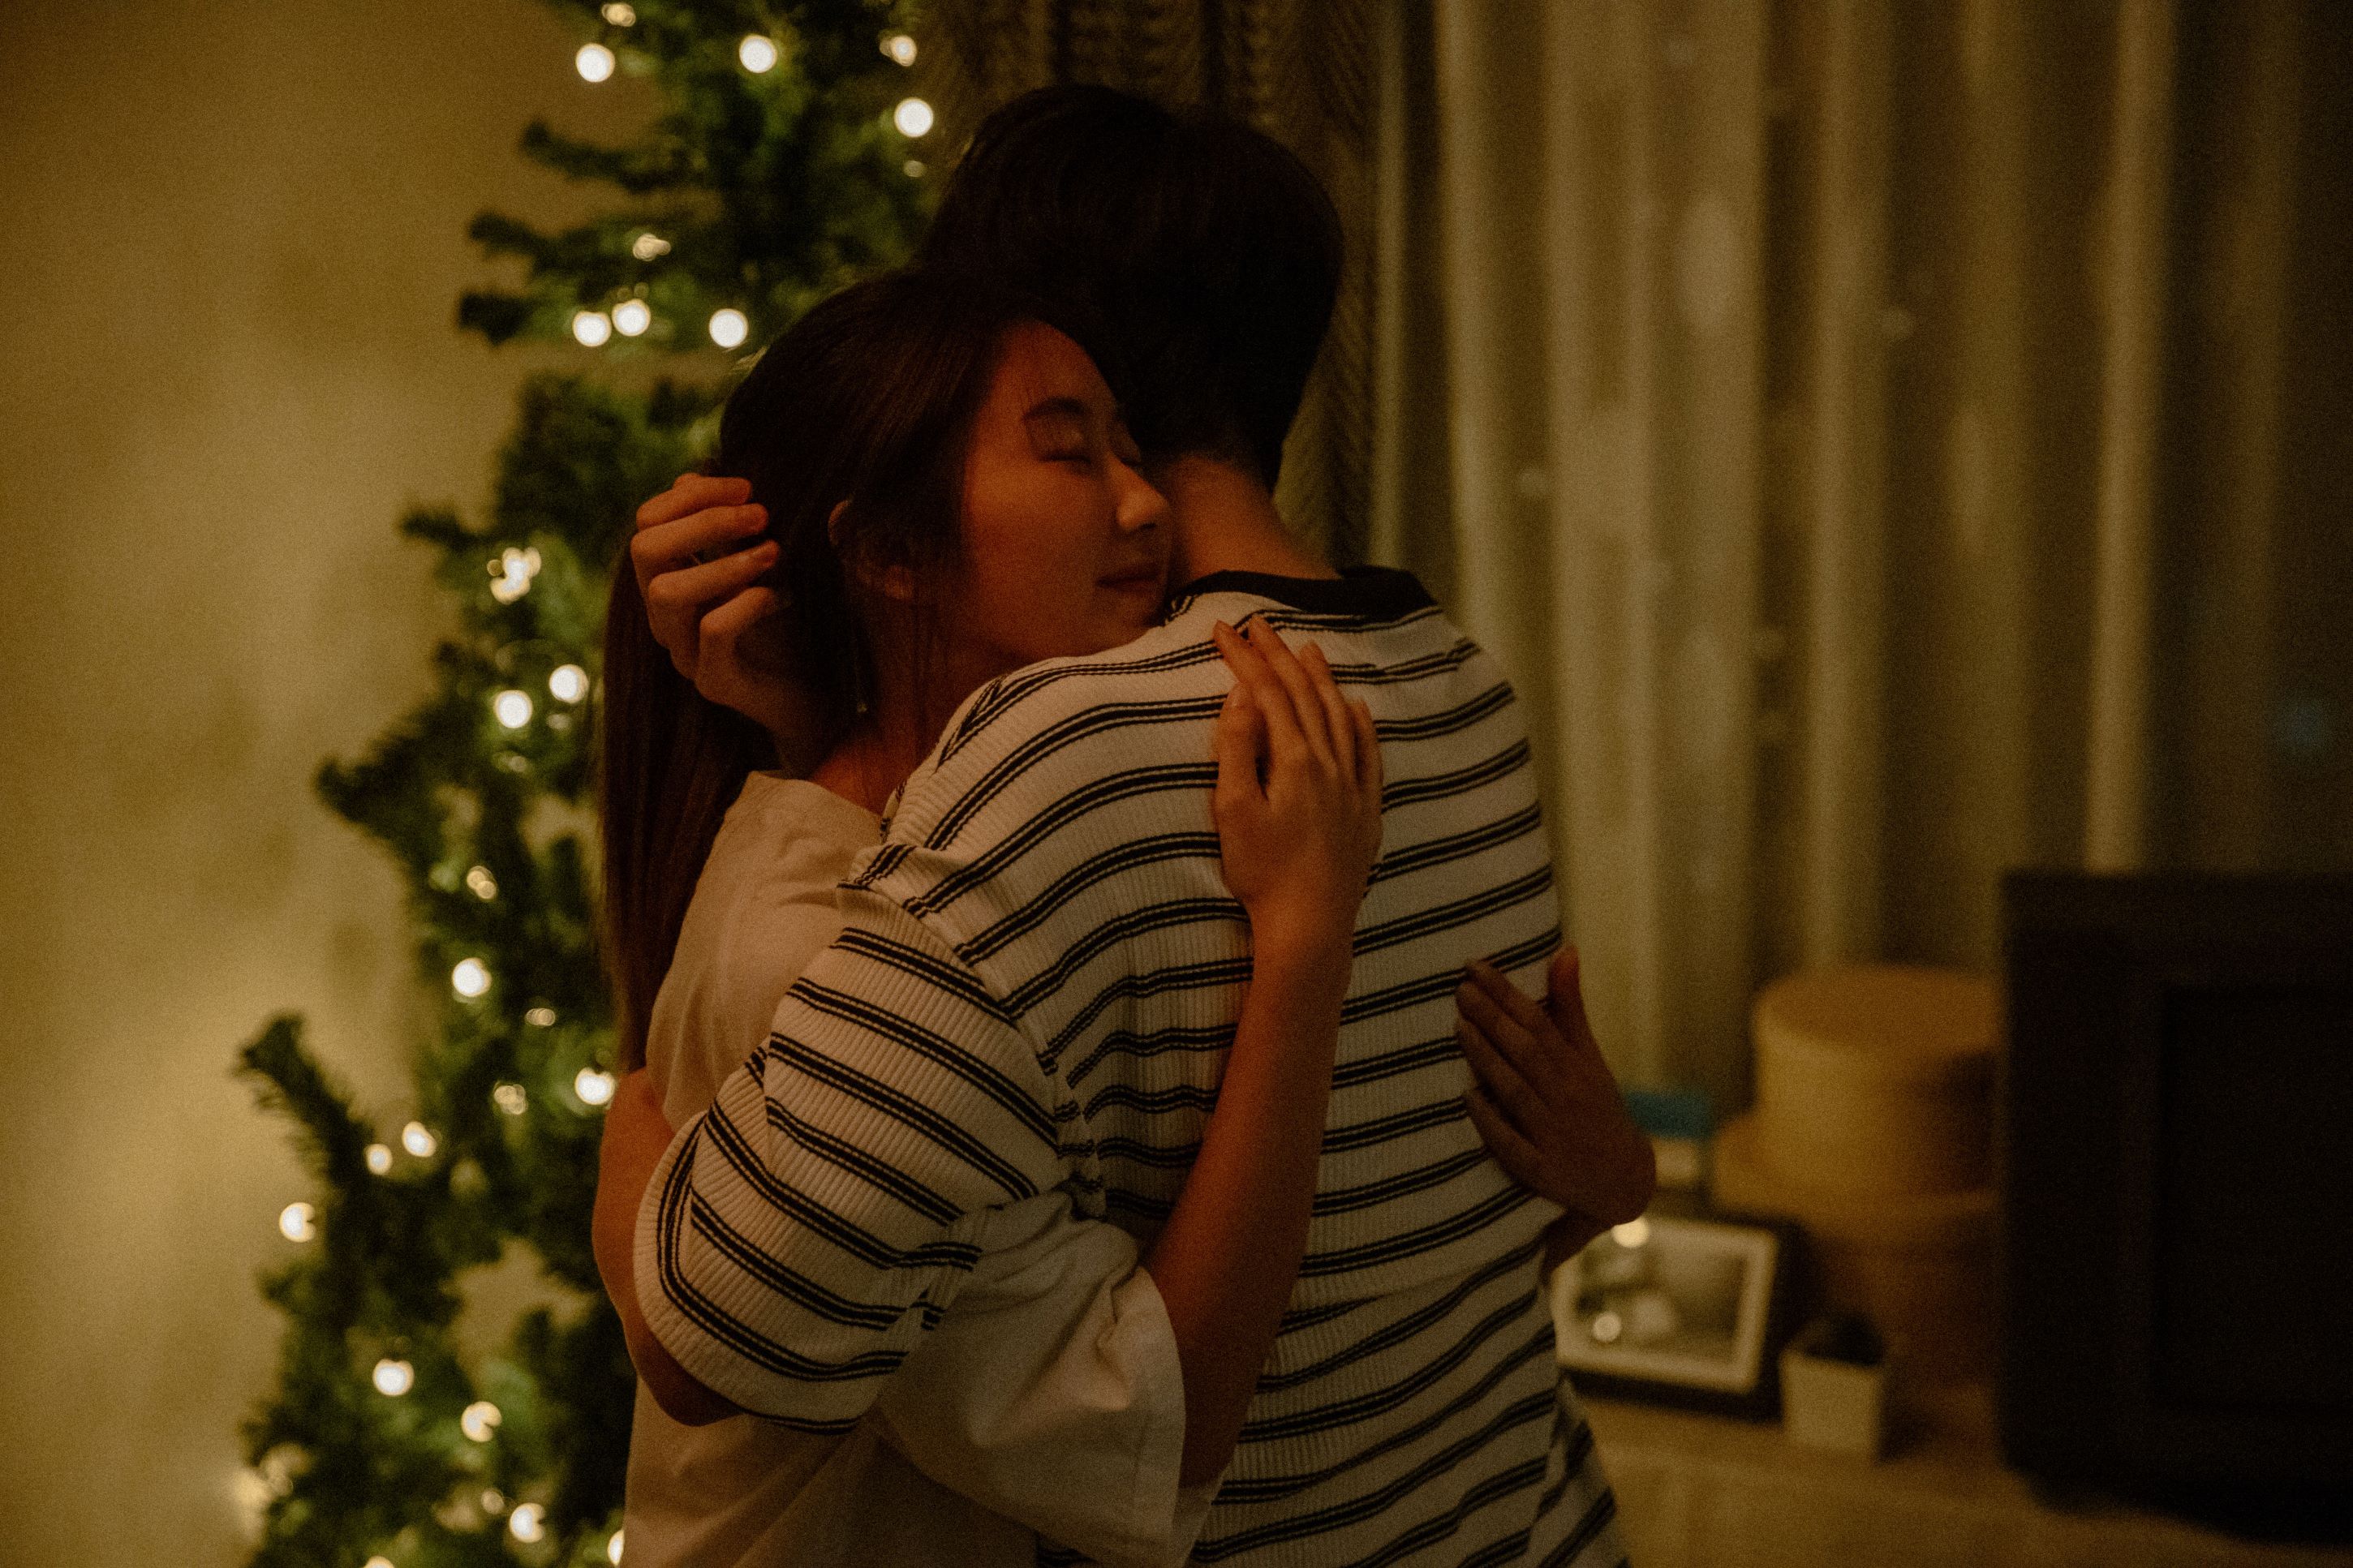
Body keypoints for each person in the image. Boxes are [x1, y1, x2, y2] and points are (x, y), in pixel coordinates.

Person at [603, 86, 1654, 1565]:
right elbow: (1434, 1254)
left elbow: (723, 1324)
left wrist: (628, 1149)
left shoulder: (1063, 751)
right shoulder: (1460, 685)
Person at [598, 266, 1390, 1566]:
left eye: (1132, 446)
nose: (1148, 506)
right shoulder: (826, 952)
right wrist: (1304, 940)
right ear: (891, 553)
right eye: (1069, 452)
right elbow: (1154, 1428)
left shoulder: (923, 847)